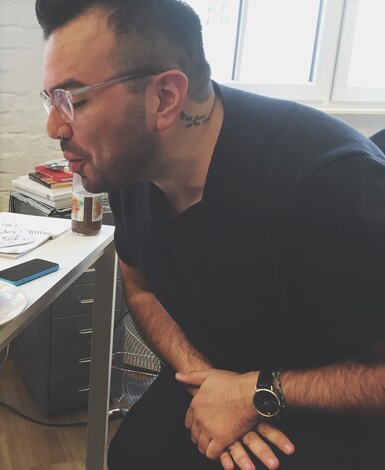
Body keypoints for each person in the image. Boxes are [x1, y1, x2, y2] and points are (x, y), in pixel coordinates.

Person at [35, 0, 385, 469]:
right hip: (208, 377)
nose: (53, 126)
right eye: (51, 99)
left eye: (74, 100)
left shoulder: (329, 186)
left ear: (163, 98)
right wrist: (209, 384)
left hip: (324, 406)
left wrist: (255, 393)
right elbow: (140, 288)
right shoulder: (128, 169)